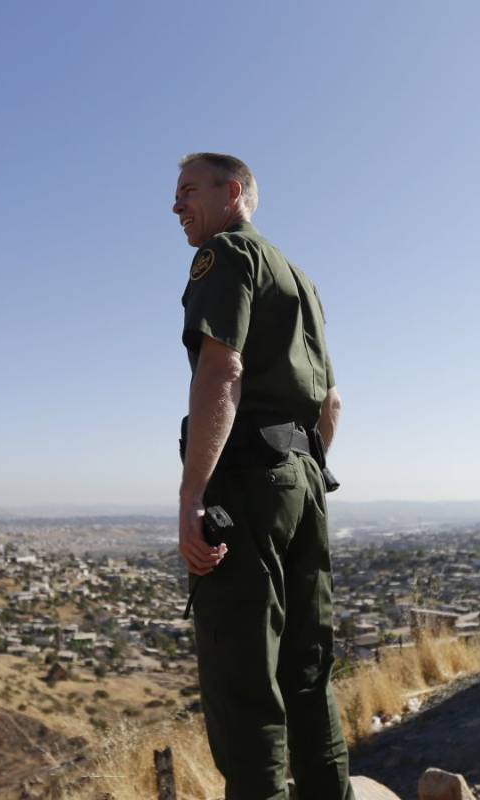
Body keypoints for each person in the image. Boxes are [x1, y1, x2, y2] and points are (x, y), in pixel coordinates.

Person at [172, 152, 354, 800]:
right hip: (305, 479)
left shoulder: (226, 255)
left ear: (234, 191)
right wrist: (300, 466)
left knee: (245, 682)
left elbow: (222, 369)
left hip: (248, 482)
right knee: (308, 672)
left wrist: (194, 493)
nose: (176, 205)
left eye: (189, 190)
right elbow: (332, 403)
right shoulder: (300, 279)